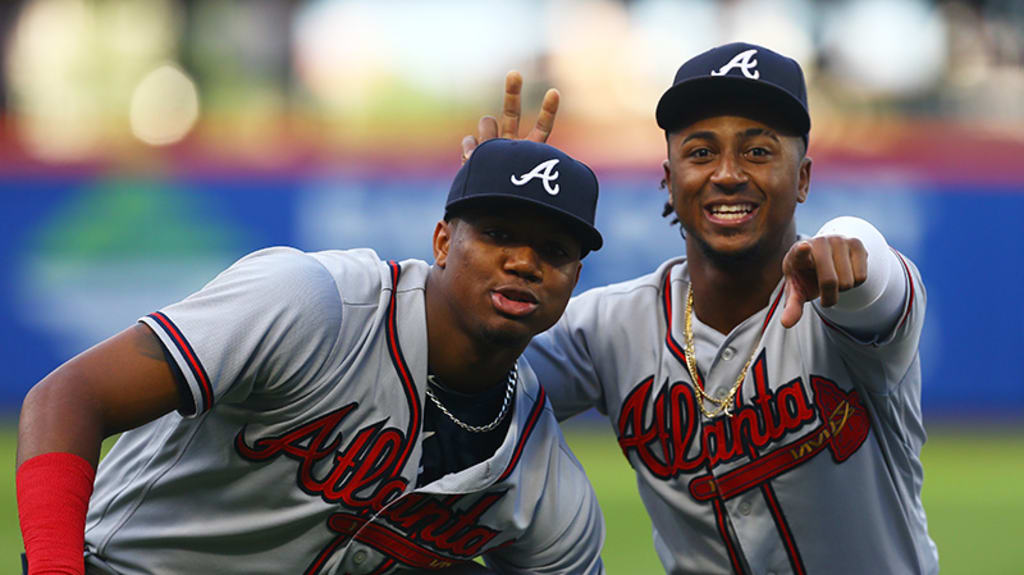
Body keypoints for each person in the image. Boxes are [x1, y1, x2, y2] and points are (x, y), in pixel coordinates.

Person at [16, 138, 607, 575]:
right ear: (444, 241)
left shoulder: (541, 475)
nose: (525, 263)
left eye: (552, 250)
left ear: (574, 278)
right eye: (500, 234)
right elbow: (69, 395)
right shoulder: (313, 302)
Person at [466, 44, 938, 574]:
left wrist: (852, 238)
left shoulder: (842, 304)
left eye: (758, 152)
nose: (728, 173)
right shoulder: (609, 328)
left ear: (802, 178)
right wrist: (490, 212)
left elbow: (876, 284)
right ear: (669, 179)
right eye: (700, 152)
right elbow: (463, 374)